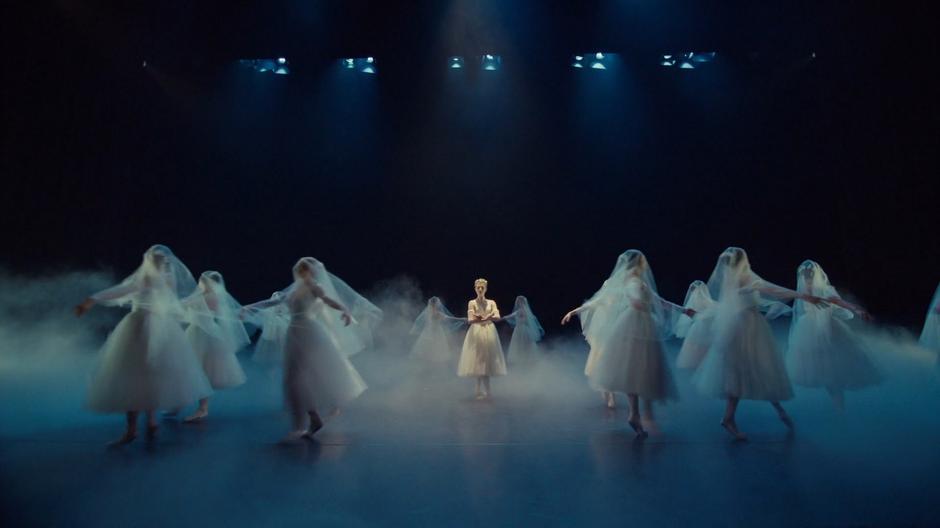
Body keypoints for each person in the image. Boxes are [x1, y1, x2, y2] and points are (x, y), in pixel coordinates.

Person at [74, 244, 212, 445]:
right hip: (163, 327)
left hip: (141, 326)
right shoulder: (168, 278)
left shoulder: (146, 277)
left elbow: (123, 290)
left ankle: (132, 429)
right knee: (151, 374)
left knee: (132, 374)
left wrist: (91, 299)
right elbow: (171, 302)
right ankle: (151, 420)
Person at [693, 247, 823, 440]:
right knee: (757, 368)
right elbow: (772, 289)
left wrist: (771, 305)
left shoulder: (732, 279)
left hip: (743, 326)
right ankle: (761, 413)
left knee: (750, 370)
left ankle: (749, 415)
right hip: (747, 327)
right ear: (742, 260)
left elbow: (754, 297)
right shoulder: (744, 277)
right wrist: (803, 296)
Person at [563, 250, 692, 436]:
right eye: (642, 263)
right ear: (637, 265)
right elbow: (601, 302)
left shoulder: (639, 283)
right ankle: (638, 415)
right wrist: (574, 312)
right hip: (635, 324)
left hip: (642, 323)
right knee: (637, 369)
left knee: (641, 370)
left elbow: (659, 301)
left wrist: (683, 310)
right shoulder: (632, 282)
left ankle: (638, 415)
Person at [242, 257, 366, 441]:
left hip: (310, 332)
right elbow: (274, 302)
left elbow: (328, 301)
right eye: (299, 271)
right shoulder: (294, 289)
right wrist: (251, 306)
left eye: (304, 270)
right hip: (294, 332)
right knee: (293, 379)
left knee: (307, 376)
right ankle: (311, 418)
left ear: (311, 272)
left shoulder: (315, 287)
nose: (301, 274)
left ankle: (313, 418)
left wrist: (345, 311)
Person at [786, 260, 881, 409]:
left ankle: (839, 406)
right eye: (804, 277)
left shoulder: (825, 289)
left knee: (833, 372)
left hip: (829, 330)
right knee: (824, 372)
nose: (806, 280)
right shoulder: (802, 293)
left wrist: (857, 310)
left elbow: (840, 302)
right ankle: (836, 404)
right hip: (809, 330)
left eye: (809, 277)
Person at [181, 271, 249, 422]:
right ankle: (185, 403)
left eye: (205, 281)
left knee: (202, 370)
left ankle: (202, 408)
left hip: (206, 334)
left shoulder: (211, 297)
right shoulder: (200, 296)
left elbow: (215, 311)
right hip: (196, 332)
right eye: (202, 281)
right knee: (190, 369)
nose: (202, 284)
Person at [457, 279, 507, 399]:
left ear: (486, 289)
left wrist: (487, 317)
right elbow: (470, 320)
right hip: (476, 332)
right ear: (475, 288)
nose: (480, 289)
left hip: (489, 332)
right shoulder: (472, 303)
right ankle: (478, 390)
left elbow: (498, 317)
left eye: (482, 288)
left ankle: (487, 391)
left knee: (487, 360)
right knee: (478, 360)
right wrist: (483, 318)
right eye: (478, 287)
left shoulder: (491, 302)